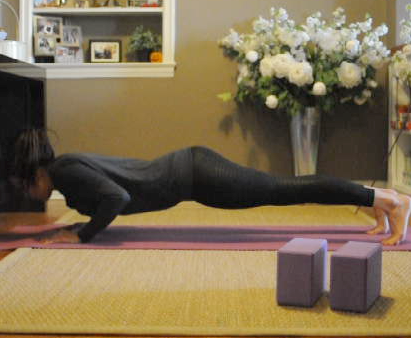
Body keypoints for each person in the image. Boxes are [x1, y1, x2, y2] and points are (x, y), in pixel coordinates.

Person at [4, 129, 410, 246]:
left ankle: (388, 199)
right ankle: (379, 200)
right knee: (286, 189)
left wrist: (83, 236)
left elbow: (116, 197)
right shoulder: (67, 167)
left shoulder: (65, 171)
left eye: (24, 187)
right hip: (193, 174)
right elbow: (109, 196)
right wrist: (81, 227)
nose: (28, 195)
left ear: (35, 175)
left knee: (286, 189)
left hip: (195, 175)